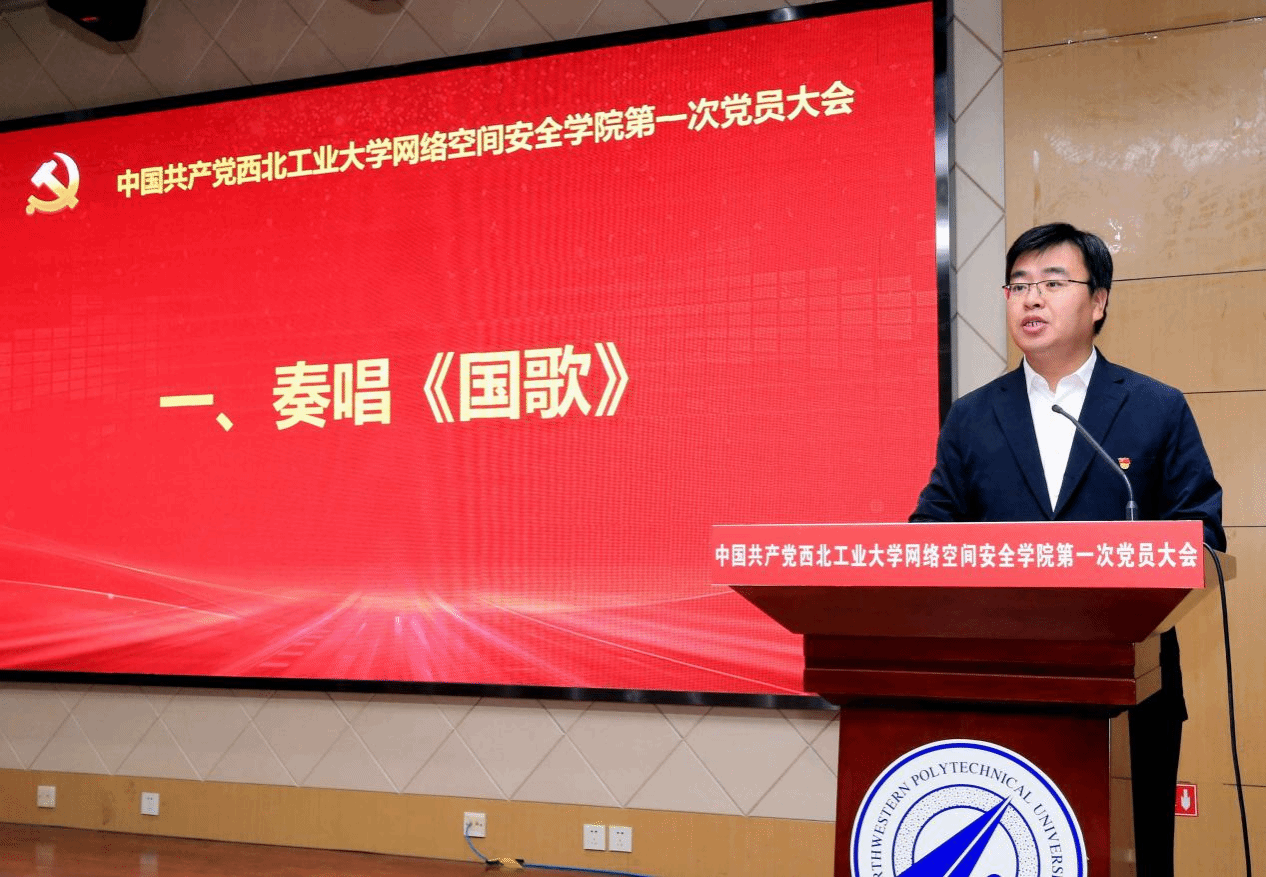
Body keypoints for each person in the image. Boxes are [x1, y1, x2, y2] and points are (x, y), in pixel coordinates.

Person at [910, 222, 1225, 877]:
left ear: (1099, 301)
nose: (1031, 298)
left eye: (1053, 283)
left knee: (1133, 859)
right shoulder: (972, 416)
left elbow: (1203, 533)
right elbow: (929, 535)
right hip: (1001, 685)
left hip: (1130, 689)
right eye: (1019, 285)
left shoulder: (1156, 407)